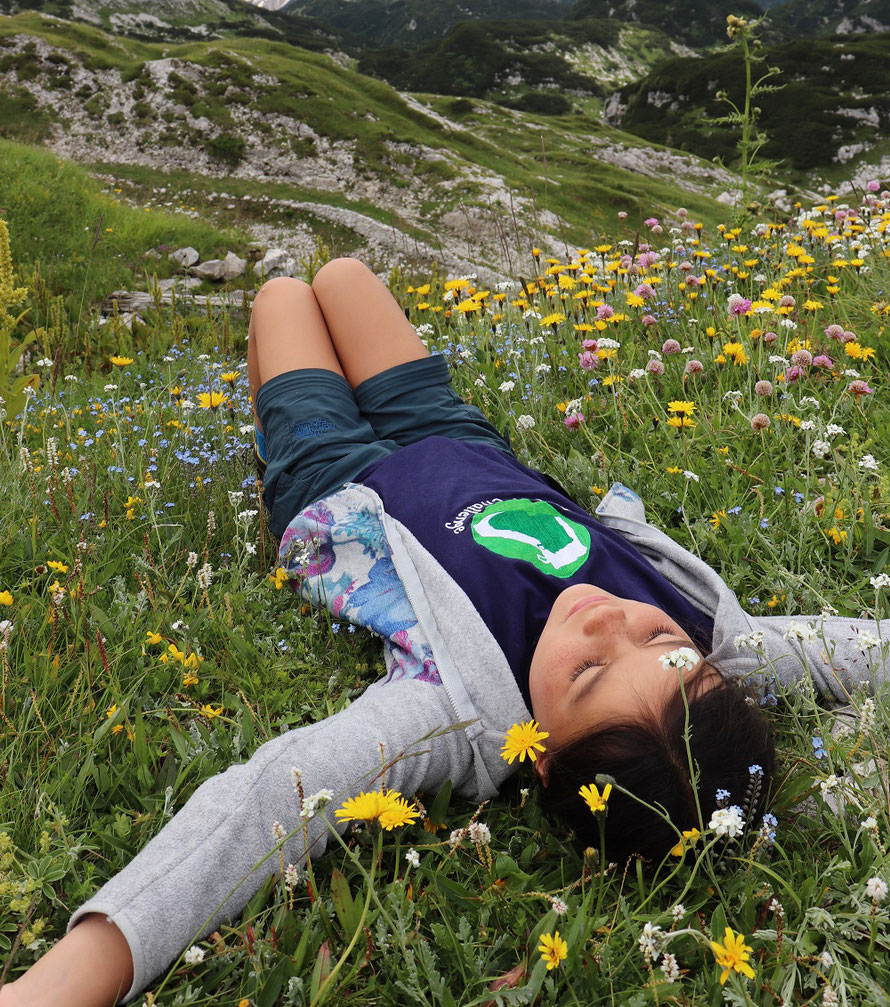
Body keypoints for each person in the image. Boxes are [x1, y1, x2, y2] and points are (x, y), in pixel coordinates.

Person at [3, 257, 887, 1007]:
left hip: (337, 479)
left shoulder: (454, 709)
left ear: (541, 753)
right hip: (457, 436)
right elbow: (850, 647)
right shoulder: (719, 642)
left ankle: (269, 441)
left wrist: (76, 973)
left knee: (279, 295)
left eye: (587, 673)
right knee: (346, 276)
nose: (610, 619)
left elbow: (277, 793)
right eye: (665, 650)